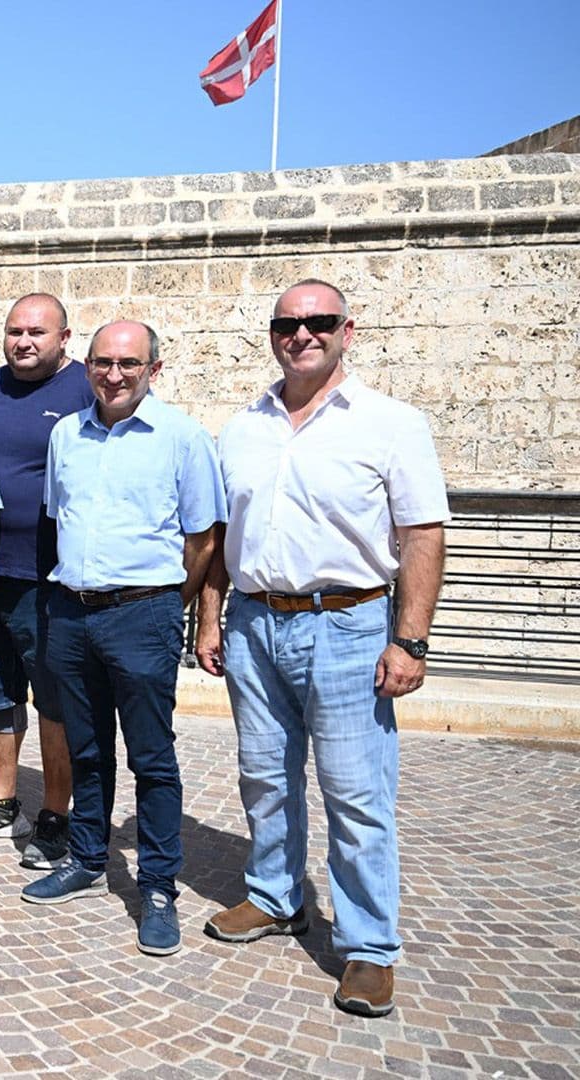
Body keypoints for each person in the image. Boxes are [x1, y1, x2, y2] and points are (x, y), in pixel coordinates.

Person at [195, 280, 447, 1018]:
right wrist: (210, 618)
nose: (301, 333)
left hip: (349, 624)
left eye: (318, 321)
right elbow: (220, 539)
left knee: (357, 793)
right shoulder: (243, 425)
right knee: (263, 776)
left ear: (347, 330)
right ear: (271, 332)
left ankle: (369, 947)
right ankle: (276, 896)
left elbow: (424, 532)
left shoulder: (390, 423)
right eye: (287, 323)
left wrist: (411, 639)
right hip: (253, 621)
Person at [20, 320, 224, 959]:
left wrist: (169, 607)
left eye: (128, 364)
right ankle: (86, 856)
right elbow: (57, 519)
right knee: (85, 750)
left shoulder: (183, 438)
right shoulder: (64, 435)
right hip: (72, 614)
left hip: (143, 615)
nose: (113, 374)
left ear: (153, 370)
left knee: (151, 758)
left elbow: (204, 539)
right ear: (86, 366)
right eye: (103, 362)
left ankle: (158, 886)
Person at [0, 294, 91, 867]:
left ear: (64, 337)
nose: (24, 341)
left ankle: (57, 814)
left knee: (54, 703)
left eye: (38, 331)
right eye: (15, 330)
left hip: (52, 580)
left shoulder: (88, 388)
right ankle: (1, 799)